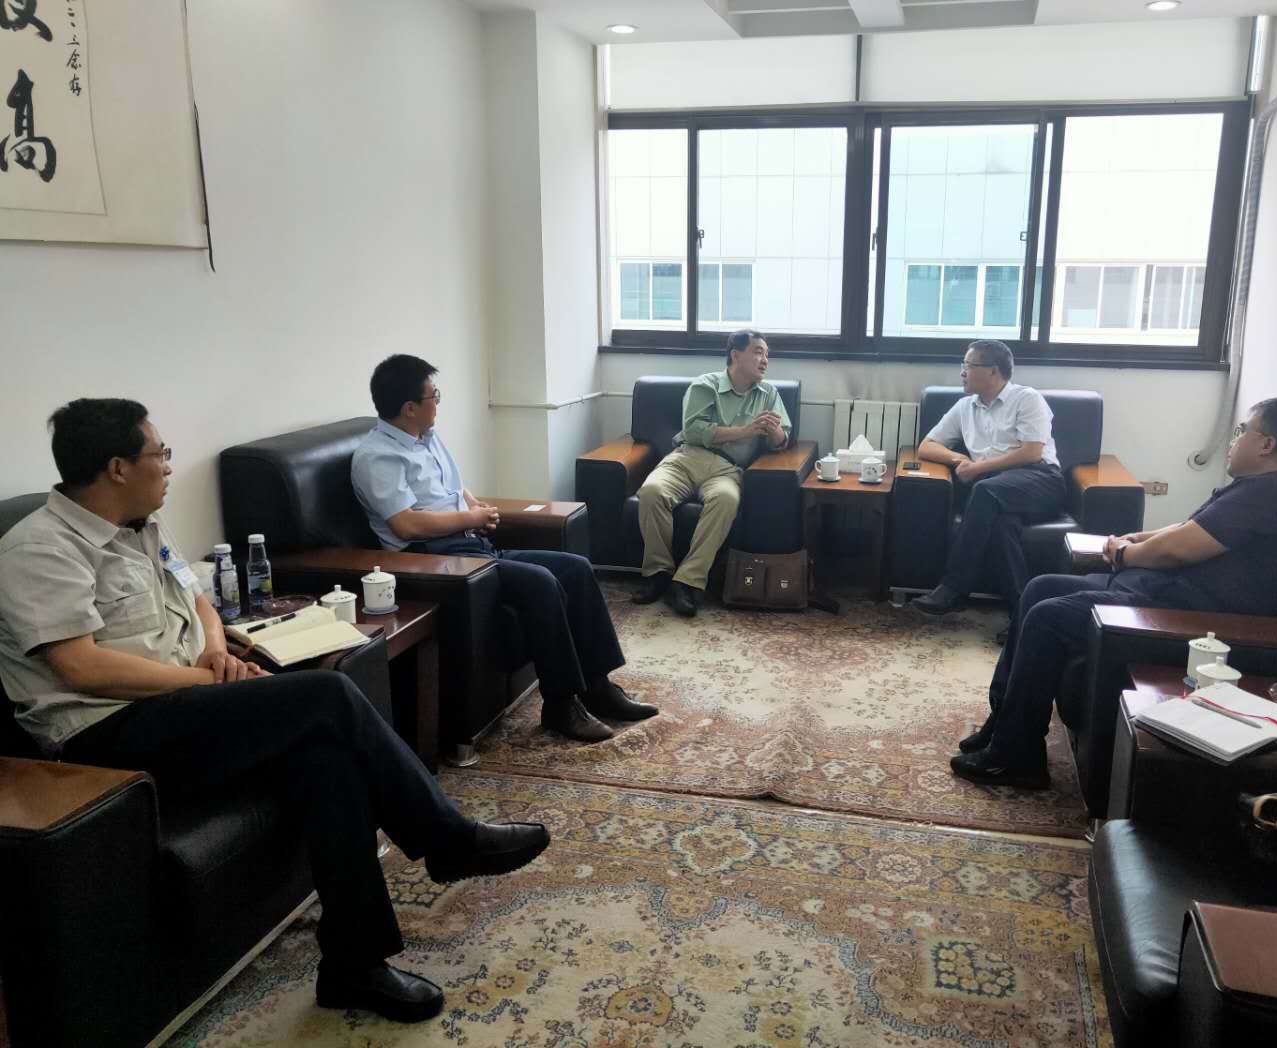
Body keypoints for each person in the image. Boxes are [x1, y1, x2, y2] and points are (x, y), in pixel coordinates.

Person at [0, 398, 551, 1023]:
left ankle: (354, 966)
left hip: (182, 701)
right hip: (103, 738)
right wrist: (200, 680)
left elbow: (198, 600)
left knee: (326, 759)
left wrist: (214, 652)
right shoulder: (40, 549)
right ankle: (448, 839)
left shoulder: (142, 527)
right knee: (326, 694)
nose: (169, 466)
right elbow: (81, 668)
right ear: (118, 467)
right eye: (160, 454)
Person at [949, 396, 1277, 789]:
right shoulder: (1264, 488)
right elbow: (1191, 529)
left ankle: (1017, 757)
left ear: (1267, 444)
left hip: (1190, 615)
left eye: (1242, 430)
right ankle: (1005, 721)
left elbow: (1178, 550)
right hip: (1167, 593)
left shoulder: (1273, 495)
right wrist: (1138, 538)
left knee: (1048, 616)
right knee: (1040, 587)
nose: (1234, 440)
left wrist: (1126, 554)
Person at [351, 355, 657, 743]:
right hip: (432, 558)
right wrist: (468, 518)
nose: (439, 402)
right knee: (540, 583)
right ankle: (560, 705)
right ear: (410, 408)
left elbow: (451, 488)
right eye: (434, 396)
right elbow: (406, 524)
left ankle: (598, 687)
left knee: (576, 568)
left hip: (470, 548)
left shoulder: (426, 437)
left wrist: (476, 507)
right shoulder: (377, 456)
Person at [633, 331, 791, 617]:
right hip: (686, 458)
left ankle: (687, 582)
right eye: (758, 352)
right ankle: (658, 573)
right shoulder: (705, 385)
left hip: (727, 469)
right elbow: (694, 430)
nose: (765, 360)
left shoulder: (768, 393)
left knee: (726, 500)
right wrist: (746, 431)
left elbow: (781, 442)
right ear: (735, 355)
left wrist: (775, 431)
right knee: (652, 492)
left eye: (767, 354)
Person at [911, 340, 1065, 625]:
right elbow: (927, 446)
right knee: (1001, 525)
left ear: (993, 371)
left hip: (1041, 480)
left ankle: (953, 588)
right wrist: (959, 459)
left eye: (968, 366)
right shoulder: (964, 406)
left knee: (985, 490)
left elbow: (1032, 452)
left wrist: (978, 468)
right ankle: (1023, 616)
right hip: (997, 489)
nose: (962, 372)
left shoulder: (1026, 398)